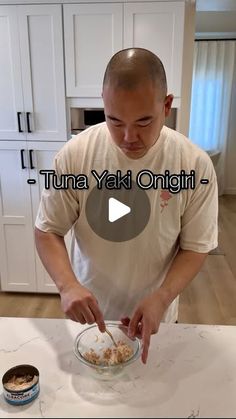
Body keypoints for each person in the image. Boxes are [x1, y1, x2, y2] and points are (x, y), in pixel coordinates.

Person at [35, 48, 218, 364]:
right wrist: (66, 286)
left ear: (166, 105)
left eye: (144, 121)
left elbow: (196, 246)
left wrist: (161, 299)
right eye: (114, 120)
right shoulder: (74, 156)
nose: (128, 137)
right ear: (103, 104)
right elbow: (47, 230)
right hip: (89, 313)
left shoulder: (194, 165)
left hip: (156, 315)